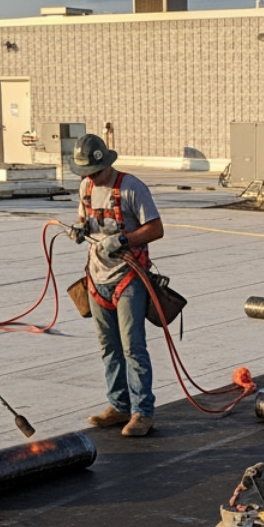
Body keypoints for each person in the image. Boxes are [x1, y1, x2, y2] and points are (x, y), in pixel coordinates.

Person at [68, 133, 164, 437]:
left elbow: (156, 229)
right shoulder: (85, 186)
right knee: (109, 347)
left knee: (133, 346)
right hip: (96, 279)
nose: (91, 178)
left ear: (106, 163)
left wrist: (125, 239)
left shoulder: (132, 188)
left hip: (128, 277)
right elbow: (85, 219)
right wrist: (80, 230)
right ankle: (119, 405)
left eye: (95, 172)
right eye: (86, 173)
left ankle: (142, 412)